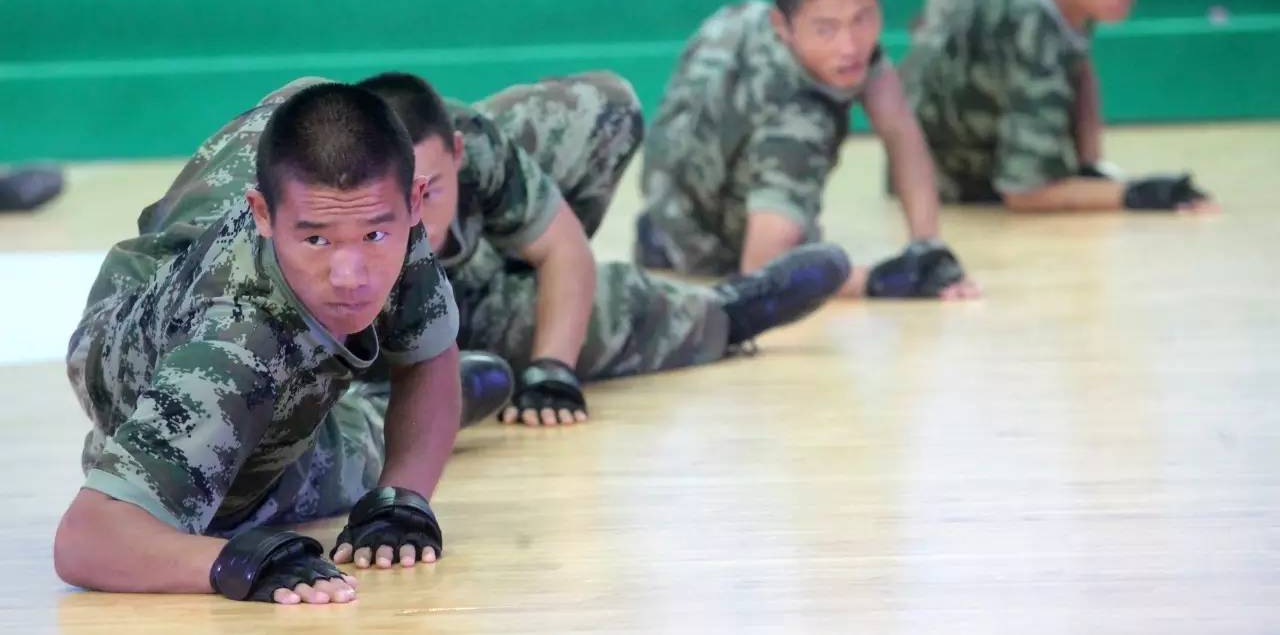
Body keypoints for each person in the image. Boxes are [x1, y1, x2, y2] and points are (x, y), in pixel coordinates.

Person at [56, 84, 477, 605]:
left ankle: (420, 406)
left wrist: (403, 498)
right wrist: (238, 559)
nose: (351, 276)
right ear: (261, 213)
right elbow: (85, 540)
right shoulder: (234, 345)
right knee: (238, 505)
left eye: (373, 236)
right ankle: (375, 414)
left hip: (204, 278)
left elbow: (428, 350)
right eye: (317, 239)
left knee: (312, 102)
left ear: (413, 202)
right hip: (141, 352)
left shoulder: (373, 205)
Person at [360, 70, 852, 428]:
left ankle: (727, 314)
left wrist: (551, 370)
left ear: (459, 154)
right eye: (397, 197)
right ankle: (421, 397)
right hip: (360, 343)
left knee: (589, 309)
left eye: (434, 190)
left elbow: (563, 248)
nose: (416, 216)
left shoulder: (479, 149)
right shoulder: (319, 189)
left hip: (466, 291)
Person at [636, 0, 979, 300]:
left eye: (862, 18)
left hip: (665, 198)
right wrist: (885, 279)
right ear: (782, 26)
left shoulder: (743, 16)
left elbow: (900, 129)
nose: (849, 46)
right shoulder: (797, 126)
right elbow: (761, 270)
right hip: (706, 248)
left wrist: (926, 245)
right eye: (826, 29)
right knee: (803, 252)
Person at [899, 0, 1215, 212]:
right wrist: (1139, 194)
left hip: (926, 128)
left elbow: (1079, 61)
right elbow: (1024, 192)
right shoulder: (1033, 45)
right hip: (944, 180)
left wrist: (1091, 166)